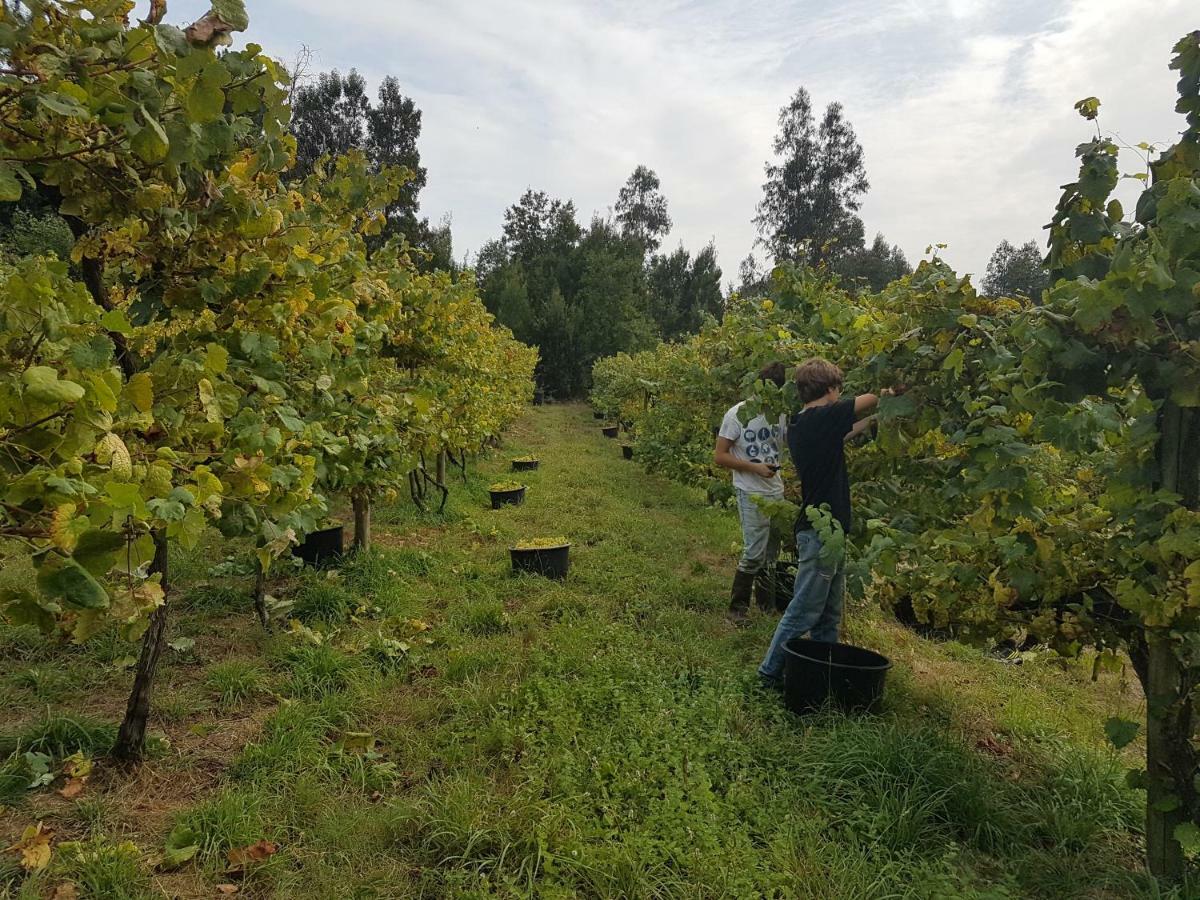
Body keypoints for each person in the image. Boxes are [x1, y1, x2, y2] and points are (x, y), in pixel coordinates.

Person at [758, 358, 891, 686]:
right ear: (831, 389)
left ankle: (818, 676)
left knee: (828, 616)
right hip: (820, 534)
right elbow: (864, 402)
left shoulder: (804, 424)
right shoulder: (822, 417)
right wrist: (894, 391)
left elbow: (844, 432)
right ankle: (768, 675)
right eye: (838, 389)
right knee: (804, 609)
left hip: (828, 533)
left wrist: (874, 420)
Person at [714, 362, 790, 623]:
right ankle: (737, 609)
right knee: (754, 551)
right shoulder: (737, 415)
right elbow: (720, 456)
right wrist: (753, 468)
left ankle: (766, 605)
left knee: (772, 553)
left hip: (776, 490)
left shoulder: (781, 414)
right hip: (750, 491)